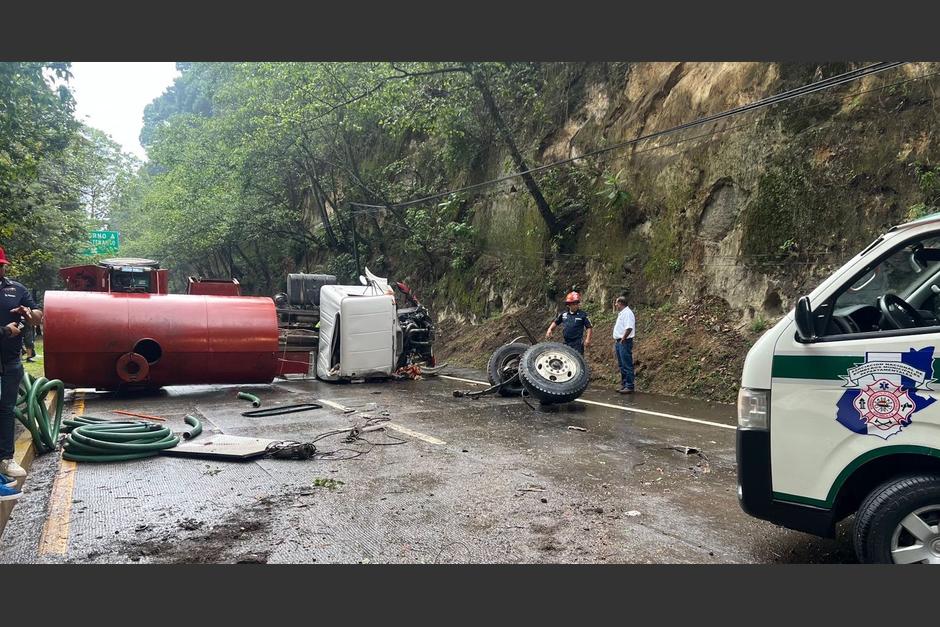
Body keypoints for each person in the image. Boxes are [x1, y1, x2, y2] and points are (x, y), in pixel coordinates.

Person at [0, 246, 43, 483]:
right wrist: (6, 330)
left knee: (6, 409)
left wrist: (28, 314)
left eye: (1, 265)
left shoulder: (16, 289)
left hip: (10, 361)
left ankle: (6, 459)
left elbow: (38, 316)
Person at [612, 295, 636, 394]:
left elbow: (629, 327)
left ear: (621, 303)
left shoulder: (627, 313)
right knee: (622, 365)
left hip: (624, 341)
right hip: (620, 341)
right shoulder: (622, 313)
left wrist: (623, 338)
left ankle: (629, 386)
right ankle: (624, 384)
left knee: (627, 364)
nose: (615, 304)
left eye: (616, 303)